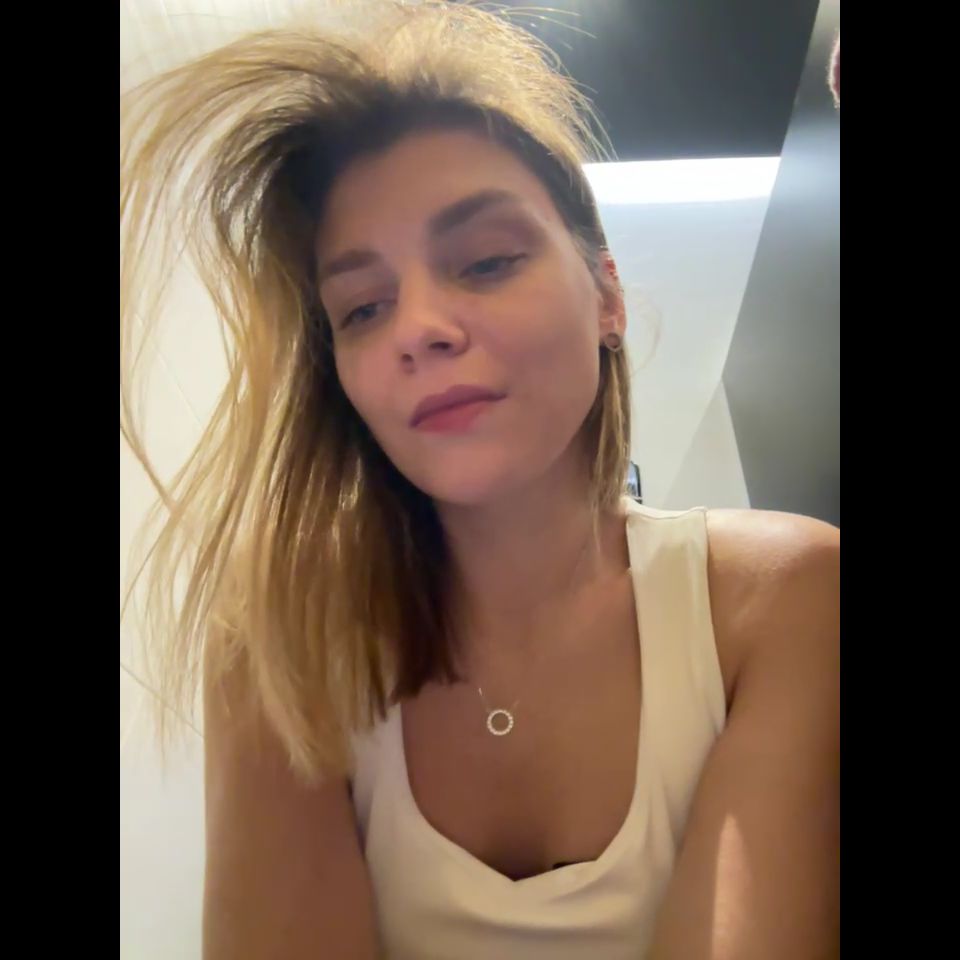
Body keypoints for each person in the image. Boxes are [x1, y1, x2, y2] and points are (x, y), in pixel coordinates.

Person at [120, 3, 839, 957]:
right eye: (362, 307)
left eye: (488, 260)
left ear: (607, 296)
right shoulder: (281, 635)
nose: (419, 327)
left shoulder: (785, 599)